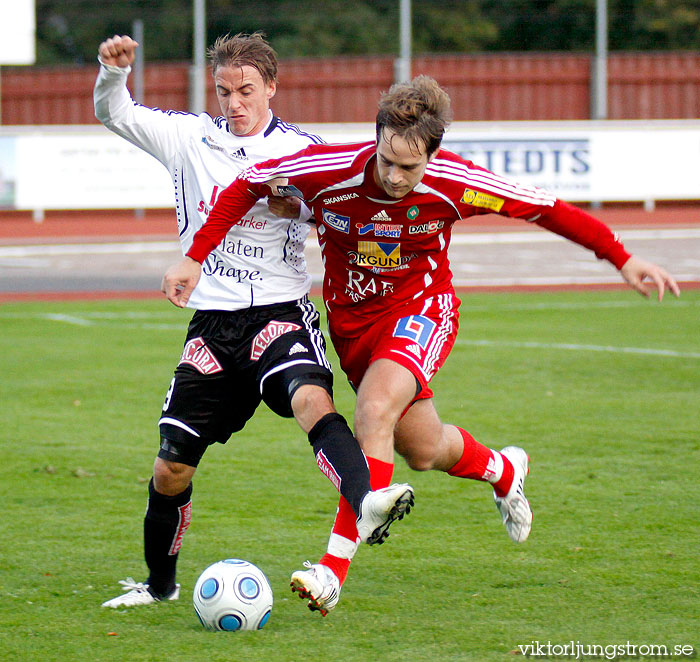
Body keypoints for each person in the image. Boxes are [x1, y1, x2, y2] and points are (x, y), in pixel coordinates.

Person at [161, 75, 680, 615]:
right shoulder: (330, 168)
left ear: (432, 154)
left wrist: (622, 258)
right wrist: (195, 257)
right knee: (423, 448)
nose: (394, 175)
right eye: (386, 160)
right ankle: (503, 470)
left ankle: (331, 570)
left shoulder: (458, 183)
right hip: (354, 328)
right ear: (376, 138)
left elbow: (547, 208)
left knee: (374, 409)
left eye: (409, 167)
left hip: (421, 311)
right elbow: (248, 182)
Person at [96, 32, 414, 609]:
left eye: (246, 91)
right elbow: (113, 112)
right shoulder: (190, 138)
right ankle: (160, 587)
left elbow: (350, 210)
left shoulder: (306, 149)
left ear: (271, 86)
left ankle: (366, 498)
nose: (234, 103)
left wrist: (306, 208)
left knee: (310, 400)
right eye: (224, 91)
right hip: (213, 327)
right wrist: (113, 73)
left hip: (280, 312)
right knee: (171, 469)